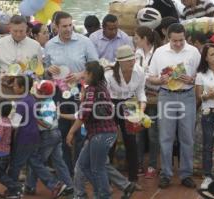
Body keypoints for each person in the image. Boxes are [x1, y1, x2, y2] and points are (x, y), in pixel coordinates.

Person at [44, 11, 98, 175]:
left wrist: (80, 74)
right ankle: (67, 171)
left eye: (70, 25)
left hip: (81, 91)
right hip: (59, 93)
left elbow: (95, 66)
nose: (68, 29)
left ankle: (81, 169)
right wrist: (48, 70)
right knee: (61, 130)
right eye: (64, 26)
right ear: (56, 26)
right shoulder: (50, 45)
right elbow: (46, 71)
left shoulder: (84, 42)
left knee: (81, 132)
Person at [148, 23, 201, 189]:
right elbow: (151, 77)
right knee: (166, 136)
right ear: (167, 38)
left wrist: (192, 80)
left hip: (187, 96)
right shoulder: (160, 52)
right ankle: (166, 174)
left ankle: (186, 174)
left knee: (187, 137)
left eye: (181, 40)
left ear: (185, 37)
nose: (178, 44)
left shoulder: (193, 51)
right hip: (166, 95)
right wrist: (160, 80)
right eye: (175, 41)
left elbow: (200, 75)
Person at [8, 75, 68, 198]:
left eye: (15, 85)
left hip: (24, 138)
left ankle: (13, 190)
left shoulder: (21, 103)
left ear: (22, 87)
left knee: (16, 164)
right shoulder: (30, 99)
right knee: (36, 163)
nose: (13, 87)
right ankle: (55, 185)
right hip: (34, 136)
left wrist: (7, 117)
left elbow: (15, 124)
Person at [66, 61, 118, 199]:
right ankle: (102, 191)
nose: (83, 74)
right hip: (102, 133)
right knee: (85, 166)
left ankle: (104, 194)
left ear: (90, 74)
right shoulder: (101, 87)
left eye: (85, 72)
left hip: (101, 134)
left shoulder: (91, 89)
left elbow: (84, 113)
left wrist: (71, 131)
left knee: (96, 168)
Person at [105, 45, 146, 185]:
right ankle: (107, 178)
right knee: (110, 140)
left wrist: (142, 108)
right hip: (111, 103)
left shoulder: (139, 71)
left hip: (130, 103)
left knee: (131, 140)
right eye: (128, 60)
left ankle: (133, 178)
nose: (132, 62)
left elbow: (141, 92)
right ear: (120, 62)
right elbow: (105, 94)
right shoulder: (109, 73)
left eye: (133, 59)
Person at [25, 80, 73, 195]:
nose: (36, 91)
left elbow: (47, 124)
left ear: (43, 92)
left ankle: (35, 186)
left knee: (37, 162)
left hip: (49, 135)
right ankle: (69, 185)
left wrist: (34, 118)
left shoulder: (46, 105)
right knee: (58, 161)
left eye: (38, 90)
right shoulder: (49, 101)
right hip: (55, 134)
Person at [0, 15, 42, 97]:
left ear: (26, 28)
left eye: (21, 31)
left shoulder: (35, 46)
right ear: (9, 28)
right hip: (5, 90)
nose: (18, 34)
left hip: (28, 92)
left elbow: (38, 70)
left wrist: (35, 77)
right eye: (15, 31)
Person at [133, 26, 161, 178]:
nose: (134, 40)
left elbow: (159, 76)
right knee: (137, 132)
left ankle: (152, 165)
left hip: (154, 98)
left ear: (144, 39)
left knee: (152, 133)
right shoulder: (136, 53)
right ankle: (137, 164)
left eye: (136, 38)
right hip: (137, 97)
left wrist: (147, 77)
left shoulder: (158, 52)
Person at [195, 44, 214, 189]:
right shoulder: (201, 75)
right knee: (208, 145)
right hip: (208, 113)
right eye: (212, 54)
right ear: (205, 57)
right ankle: (207, 176)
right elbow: (198, 96)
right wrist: (208, 95)